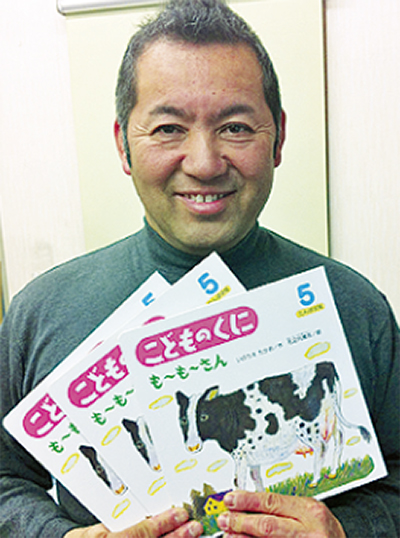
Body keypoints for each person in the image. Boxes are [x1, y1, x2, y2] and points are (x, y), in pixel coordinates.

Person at [0, 0, 398, 536]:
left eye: (235, 127)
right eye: (168, 128)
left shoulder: (355, 305)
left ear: (278, 138)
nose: (205, 163)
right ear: (123, 145)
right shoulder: (40, 313)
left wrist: (349, 531)